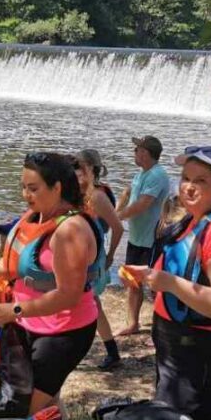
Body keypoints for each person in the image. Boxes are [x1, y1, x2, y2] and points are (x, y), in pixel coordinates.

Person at [124, 146, 211, 420]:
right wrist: (149, 276)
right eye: (186, 178)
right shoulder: (194, 219)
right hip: (182, 345)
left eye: (201, 181)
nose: (188, 187)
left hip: (206, 350)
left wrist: (169, 283)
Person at [0, 152, 101, 414]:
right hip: (29, 323)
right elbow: (13, 262)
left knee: (26, 408)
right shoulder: (35, 217)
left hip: (64, 331)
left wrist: (12, 311)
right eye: (23, 187)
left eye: (33, 188)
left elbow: (69, 295)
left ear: (57, 187)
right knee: (47, 400)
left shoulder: (71, 231)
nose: (26, 195)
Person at [74, 149, 126, 370]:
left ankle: (110, 352)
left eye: (81, 168)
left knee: (90, 303)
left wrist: (111, 256)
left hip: (94, 260)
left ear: (92, 170)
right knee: (89, 303)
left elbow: (118, 228)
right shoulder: (79, 193)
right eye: (75, 167)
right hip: (80, 257)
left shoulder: (97, 196)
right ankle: (111, 351)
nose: (76, 173)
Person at [116, 135, 170, 335]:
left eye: (137, 149)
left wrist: (118, 217)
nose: (134, 153)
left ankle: (162, 326)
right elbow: (129, 192)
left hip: (151, 240)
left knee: (155, 284)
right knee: (132, 281)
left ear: (145, 153)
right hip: (137, 238)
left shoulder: (157, 175)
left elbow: (144, 203)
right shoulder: (142, 173)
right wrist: (116, 210)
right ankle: (133, 323)